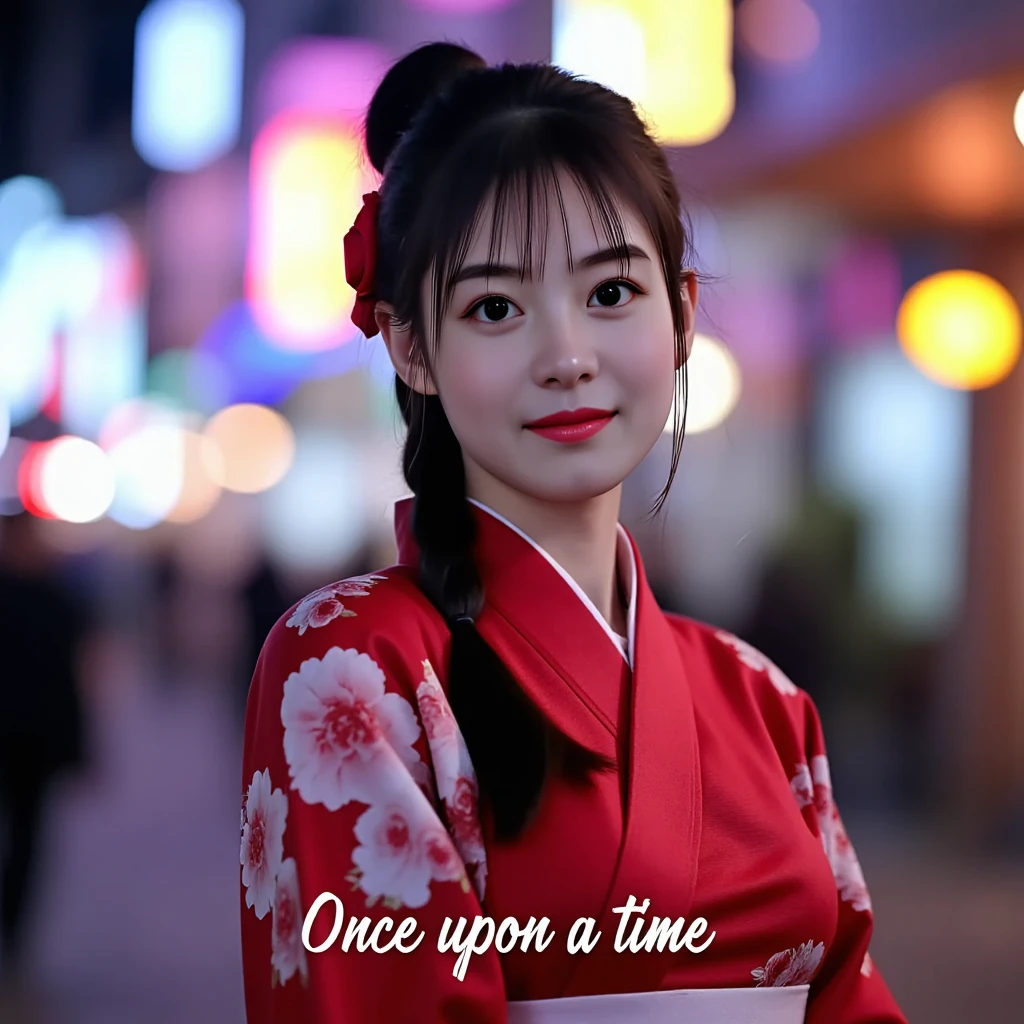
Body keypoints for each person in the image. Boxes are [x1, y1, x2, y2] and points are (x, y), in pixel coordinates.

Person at [239, 43, 907, 1023]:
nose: (567, 357)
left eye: (609, 293)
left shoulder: (764, 703)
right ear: (410, 343)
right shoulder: (350, 670)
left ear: (680, 316)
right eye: (497, 306)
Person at [0, 512, 87, 977]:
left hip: (34, 743)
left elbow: (70, 682)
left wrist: (75, 746)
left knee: (29, 838)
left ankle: (13, 927)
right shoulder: (56, 599)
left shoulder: (59, 601)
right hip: (21, 738)